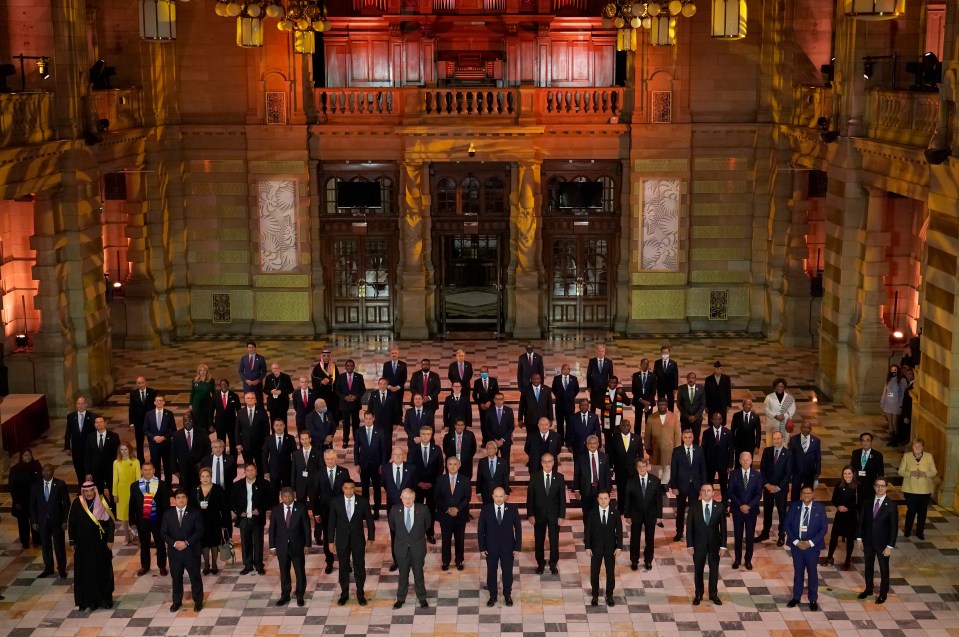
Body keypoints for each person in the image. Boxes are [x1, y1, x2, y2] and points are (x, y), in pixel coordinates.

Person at [68, 482, 115, 611]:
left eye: (91, 490)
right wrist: (72, 541)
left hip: (101, 544)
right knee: (86, 573)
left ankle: (104, 599)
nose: (89, 493)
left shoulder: (102, 501)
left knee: (102, 571)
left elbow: (110, 522)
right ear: (82, 491)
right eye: (86, 491)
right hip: (84, 545)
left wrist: (110, 540)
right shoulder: (77, 503)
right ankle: (88, 601)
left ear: (95, 490)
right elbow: (71, 522)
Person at [327, 479, 375, 605]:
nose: (349, 490)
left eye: (351, 488)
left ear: (355, 489)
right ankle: (344, 594)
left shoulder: (363, 501)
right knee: (343, 567)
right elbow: (331, 523)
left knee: (359, 567)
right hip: (342, 540)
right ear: (342, 488)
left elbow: (370, 521)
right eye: (346, 488)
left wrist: (370, 538)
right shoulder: (335, 502)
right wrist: (330, 541)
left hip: (358, 540)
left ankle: (360, 593)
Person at [161, 489, 204, 612]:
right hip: (175, 554)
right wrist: (174, 543)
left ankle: (198, 601)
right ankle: (177, 601)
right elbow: (163, 533)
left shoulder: (195, 513)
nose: (181, 499)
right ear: (174, 500)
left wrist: (186, 543)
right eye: (178, 497)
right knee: (176, 578)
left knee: (195, 577)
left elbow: (199, 531)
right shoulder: (168, 515)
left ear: (187, 499)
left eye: (183, 497)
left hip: (191, 552)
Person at [478, 486, 522, 607]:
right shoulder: (486, 509)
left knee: (507, 572)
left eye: (501, 496)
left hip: (508, 548)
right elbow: (480, 530)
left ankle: (507, 595)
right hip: (490, 548)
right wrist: (482, 547)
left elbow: (518, 529)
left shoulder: (512, 509)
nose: (498, 499)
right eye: (496, 496)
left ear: (505, 496)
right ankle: (493, 595)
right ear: (492, 496)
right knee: (491, 572)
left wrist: (517, 547)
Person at [785, 485, 827, 611]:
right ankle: (796, 597)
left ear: (813, 494)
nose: (806, 495)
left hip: (812, 548)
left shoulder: (819, 508)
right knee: (798, 572)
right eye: (804, 493)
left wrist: (811, 543)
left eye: (809, 493)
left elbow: (824, 528)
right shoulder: (794, 506)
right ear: (801, 495)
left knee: (812, 573)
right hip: (797, 546)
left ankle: (813, 599)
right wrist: (797, 541)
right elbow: (787, 525)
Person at [269, 487, 312, 607]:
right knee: (284, 572)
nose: (287, 498)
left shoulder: (301, 508)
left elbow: (306, 528)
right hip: (282, 546)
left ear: (294, 496)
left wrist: (307, 544)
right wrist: (272, 547)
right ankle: (285, 595)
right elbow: (272, 529)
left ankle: (300, 595)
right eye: (284, 496)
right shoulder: (276, 509)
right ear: (281, 497)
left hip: (297, 546)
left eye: (289, 496)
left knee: (299, 571)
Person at [857, 477, 897, 604]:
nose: (880, 488)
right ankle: (869, 589)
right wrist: (859, 537)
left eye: (882, 486)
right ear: (874, 487)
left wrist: (890, 546)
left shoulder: (891, 505)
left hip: (883, 544)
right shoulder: (867, 502)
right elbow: (861, 521)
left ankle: (883, 594)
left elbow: (894, 528)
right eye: (877, 485)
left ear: (886, 487)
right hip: (868, 541)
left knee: (884, 569)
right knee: (868, 566)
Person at [686, 483, 726, 606]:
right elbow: (689, 528)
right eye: (703, 490)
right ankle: (699, 594)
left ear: (713, 493)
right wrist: (690, 545)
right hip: (698, 545)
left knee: (714, 570)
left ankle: (713, 594)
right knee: (698, 570)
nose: (706, 492)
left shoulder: (719, 507)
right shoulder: (694, 507)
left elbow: (723, 528)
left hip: (714, 545)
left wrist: (723, 546)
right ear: (700, 493)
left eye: (708, 490)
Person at [390, 488, 430, 609]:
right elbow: (393, 526)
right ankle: (400, 598)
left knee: (419, 574)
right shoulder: (395, 510)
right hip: (401, 549)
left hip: (417, 548)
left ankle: (422, 598)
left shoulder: (423, 509)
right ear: (401, 498)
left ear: (414, 498)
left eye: (410, 497)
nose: (408, 500)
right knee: (403, 575)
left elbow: (427, 525)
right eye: (405, 498)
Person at [527, 452, 565, 574]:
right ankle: (540, 564)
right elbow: (530, 498)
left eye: (550, 461)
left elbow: (562, 499)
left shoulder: (559, 477)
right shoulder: (534, 477)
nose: (548, 464)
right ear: (542, 463)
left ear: (553, 463)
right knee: (539, 540)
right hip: (538, 515)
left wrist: (561, 515)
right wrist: (530, 514)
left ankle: (553, 564)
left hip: (554, 515)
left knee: (554, 540)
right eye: (545, 461)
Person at [129, 462, 170, 576]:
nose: (147, 472)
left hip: (158, 519)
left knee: (160, 543)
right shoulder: (135, 486)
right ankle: (145, 566)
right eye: (145, 470)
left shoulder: (162, 485)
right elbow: (132, 504)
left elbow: (166, 504)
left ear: (154, 470)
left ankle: (162, 566)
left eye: (149, 469)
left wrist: (167, 521)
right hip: (142, 520)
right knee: (144, 544)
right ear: (142, 471)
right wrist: (132, 521)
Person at [230, 462, 272, 575]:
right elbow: (232, 502)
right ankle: (248, 565)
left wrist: (260, 510)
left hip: (257, 518)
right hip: (244, 519)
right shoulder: (237, 485)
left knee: (258, 542)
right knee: (245, 542)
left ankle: (259, 565)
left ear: (256, 471)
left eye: (252, 470)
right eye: (248, 470)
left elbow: (269, 500)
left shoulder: (264, 484)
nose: (250, 472)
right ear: (244, 472)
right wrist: (239, 512)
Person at [29, 463, 70, 578]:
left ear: (53, 472)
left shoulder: (60, 484)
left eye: (48, 470)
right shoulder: (36, 486)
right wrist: (33, 521)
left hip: (57, 521)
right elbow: (32, 505)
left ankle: (61, 569)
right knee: (46, 546)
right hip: (42, 522)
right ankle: (48, 568)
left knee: (59, 546)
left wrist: (65, 520)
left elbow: (66, 504)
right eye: (44, 471)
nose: (46, 473)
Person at [584, 490, 622, 607]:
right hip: (595, 548)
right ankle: (595, 595)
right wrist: (588, 547)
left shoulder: (615, 513)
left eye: (605, 498)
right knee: (595, 572)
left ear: (609, 499)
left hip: (611, 548)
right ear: (597, 499)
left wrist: (619, 547)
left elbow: (619, 531)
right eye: (601, 498)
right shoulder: (592, 513)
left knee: (610, 572)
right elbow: (587, 532)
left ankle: (609, 595)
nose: (603, 501)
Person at [623, 458, 661, 572]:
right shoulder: (631, 481)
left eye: (644, 466)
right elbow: (627, 499)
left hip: (651, 514)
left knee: (650, 539)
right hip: (636, 514)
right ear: (636, 468)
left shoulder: (655, 481)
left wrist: (659, 516)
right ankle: (634, 560)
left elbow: (659, 500)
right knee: (635, 538)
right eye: (639, 467)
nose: (642, 469)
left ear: (647, 467)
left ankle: (648, 560)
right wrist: (627, 515)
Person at [315, 448, 350, 571]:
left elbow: (349, 492)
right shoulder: (318, 473)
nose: (330, 461)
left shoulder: (344, 472)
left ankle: (345, 562)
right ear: (324, 460)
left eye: (332, 458)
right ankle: (329, 561)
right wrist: (316, 513)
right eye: (327, 459)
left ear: (336, 458)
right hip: (325, 511)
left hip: (342, 511)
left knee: (344, 537)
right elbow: (314, 495)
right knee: (327, 537)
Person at [382, 446, 416, 571]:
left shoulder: (411, 468)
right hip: (393, 508)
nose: (398, 456)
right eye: (395, 454)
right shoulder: (385, 468)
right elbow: (385, 485)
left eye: (400, 454)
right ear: (392, 455)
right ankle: (396, 561)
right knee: (395, 534)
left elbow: (413, 486)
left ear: (404, 456)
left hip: (408, 507)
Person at [192, 467, 230, 575]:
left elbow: (224, 507)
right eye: (203, 476)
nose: (205, 478)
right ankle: (206, 564)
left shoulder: (218, 489)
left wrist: (224, 523)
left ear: (211, 477)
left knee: (214, 543)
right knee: (204, 544)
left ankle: (214, 564)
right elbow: (191, 506)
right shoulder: (195, 489)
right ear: (199, 478)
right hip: (200, 521)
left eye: (207, 476)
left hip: (214, 520)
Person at [669, 429, 706, 542]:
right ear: (682, 438)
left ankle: (693, 532)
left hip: (695, 486)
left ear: (693, 438)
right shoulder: (677, 451)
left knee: (694, 510)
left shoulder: (699, 450)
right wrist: (674, 486)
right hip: (681, 486)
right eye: (685, 437)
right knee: (680, 510)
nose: (688, 439)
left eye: (690, 437)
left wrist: (703, 486)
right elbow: (674, 469)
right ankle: (679, 532)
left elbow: (703, 469)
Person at [756, 431, 792, 546]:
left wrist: (778, 487)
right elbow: (762, 469)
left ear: (783, 440)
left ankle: (782, 535)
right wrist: (767, 485)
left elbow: (788, 474)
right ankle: (765, 532)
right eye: (774, 439)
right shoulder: (767, 451)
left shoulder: (788, 454)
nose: (776, 441)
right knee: (767, 511)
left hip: (780, 490)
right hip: (768, 488)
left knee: (782, 513)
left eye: (778, 438)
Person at [728, 451, 762, 570]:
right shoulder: (734, 474)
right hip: (738, 510)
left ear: (751, 460)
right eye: (743, 460)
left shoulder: (757, 475)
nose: (745, 462)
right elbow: (730, 492)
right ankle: (737, 559)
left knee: (749, 536)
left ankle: (748, 560)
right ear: (739, 461)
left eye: (748, 460)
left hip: (751, 511)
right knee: (737, 535)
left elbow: (758, 494)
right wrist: (741, 505)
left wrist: (749, 506)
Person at [436, 456, 470, 570]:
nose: (452, 466)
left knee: (459, 539)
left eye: (455, 464)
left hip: (460, 515)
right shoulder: (440, 479)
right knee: (446, 539)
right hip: (445, 515)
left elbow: (467, 498)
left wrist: (457, 509)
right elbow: (437, 497)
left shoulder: (465, 480)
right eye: (450, 464)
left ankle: (459, 560)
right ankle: (445, 561)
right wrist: (447, 509)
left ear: (459, 465)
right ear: (447, 465)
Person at [899, 438, 937, 540]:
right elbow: (900, 471)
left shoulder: (929, 457)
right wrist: (910, 473)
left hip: (925, 490)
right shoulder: (907, 456)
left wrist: (925, 474)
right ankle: (907, 530)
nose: (917, 448)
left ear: (923, 447)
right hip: (909, 489)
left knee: (922, 512)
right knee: (911, 510)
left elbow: (934, 472)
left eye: (919, 446)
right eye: (915, 446)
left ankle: (920, 532)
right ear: (912, 447)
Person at [411, 425, 442, 544]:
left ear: (431, 435)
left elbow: (440, 469)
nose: (425, 436)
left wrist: (432, 483)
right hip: (417, 486)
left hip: (431, 487)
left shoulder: (437, 449)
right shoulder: (414, 449)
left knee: (430, 511)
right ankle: (418, 534)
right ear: (420, 435)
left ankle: (430, 533)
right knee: (417, 511)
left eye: (428, 434)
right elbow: (411, 468)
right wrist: (418, 482)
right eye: (423, 434)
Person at [355, 410, 389, 519]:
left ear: (373, 418)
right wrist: (356, 463)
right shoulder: (359, 431)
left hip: (376, 465)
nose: (368, 421)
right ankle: (366, 510)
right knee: (364, 489)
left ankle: (376, 510)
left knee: (377, 489)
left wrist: (382, 464)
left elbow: (383, 449)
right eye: (366, 419)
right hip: (363, 465)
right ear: (364, 419)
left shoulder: (379, 431)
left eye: (370, 418)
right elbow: (356, 449)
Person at [825, 466, 857, 570]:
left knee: (850, 539)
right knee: (834, 536)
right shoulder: (839, 485)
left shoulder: (858, 487)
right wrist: (839, 506)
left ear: (853, 474)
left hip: (851, 516)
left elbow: (859, 503)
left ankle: (847, 560)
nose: (847, 476)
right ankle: (829, 557)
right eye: (845, 474)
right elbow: (833, 499)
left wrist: (848, 508)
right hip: (840, 515)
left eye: (849, 473)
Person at [644, 398, 681, 487]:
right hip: (655, 447)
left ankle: (664, 485)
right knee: (654, 467)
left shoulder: (673, 417)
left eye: (664, 404)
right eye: (660, 404)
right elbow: (647, 433)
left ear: (667, 405)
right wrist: (647, 446)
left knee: (667, 467)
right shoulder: (651, 417)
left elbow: (677, 433)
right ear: (657, 405)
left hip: (668, 447)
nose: (662, 406)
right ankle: (654, 484)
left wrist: (677, 447)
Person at [9, 449, 42, 548]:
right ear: (21, 457)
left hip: (34, 499)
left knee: (35, 520)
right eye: (25, 456)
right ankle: (25, 541)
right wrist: (16, 501)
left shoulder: (36, 466)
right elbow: (12, 486)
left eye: (29, 455)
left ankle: (37, 539)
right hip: (22, 500)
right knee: (23, 522)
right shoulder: (15, 469)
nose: (27, 458)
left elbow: (41, 480)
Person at [609, 419, 643, 512]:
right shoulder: (615, 439)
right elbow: (611, 455)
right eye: (623, 425)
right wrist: (611, 468)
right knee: (621, 489)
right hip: (620, 469)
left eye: (627, 425)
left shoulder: (637, 438)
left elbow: (640, 455)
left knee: (633, 489)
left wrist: (640, 468)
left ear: (630, 427)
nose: (625, 427)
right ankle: (621, 507)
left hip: (633, 469)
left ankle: (632, 508)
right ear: (620, 427)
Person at [701, 412, 733, 506]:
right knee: (708, 485)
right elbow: (703, 449)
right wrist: (703, 465)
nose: (717, 421)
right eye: (715, 419)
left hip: (723, 464)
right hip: (710, 464)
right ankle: (707, 503)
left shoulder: (728, 432)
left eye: (719, 419)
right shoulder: (706, 433)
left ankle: (724, 506)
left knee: (724, 486)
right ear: (711, 420)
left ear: (722, 420)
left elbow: (731, 450)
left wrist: (730, 465)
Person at [172, 414, 210, 494]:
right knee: (185, 488)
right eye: (186, 421)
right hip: (183, 468)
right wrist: (175, 469)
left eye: (190, 421)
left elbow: (208, 448)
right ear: (183, 422)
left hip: (198, 467)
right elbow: (173, 453)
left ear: (193, 421)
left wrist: (203, 462)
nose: (188, 423)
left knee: (199, 488)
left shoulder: (202, 432)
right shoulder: (177, 435)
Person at [576, 435, 612, 519]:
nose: (592, 445)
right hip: (586, 489)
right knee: (587, 513)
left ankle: (597, 531)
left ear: (598, 444)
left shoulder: (604, 457)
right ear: (586, 444)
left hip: (600, 489)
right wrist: (576, 490)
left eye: (594, 443)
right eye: (590, 443)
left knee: (599, 513)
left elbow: (607, 475)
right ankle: (587, 531)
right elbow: (577, 474)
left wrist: (608, 490)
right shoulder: (581, 457)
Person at [84, 417, 121, 499]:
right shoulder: (90, 437)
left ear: (105, 423)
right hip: (96, 471)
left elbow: (118, 454)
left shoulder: (114, 436)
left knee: (113, 492)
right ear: (94, 425)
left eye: (100, 422)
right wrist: (88, 472)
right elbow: (87, 455)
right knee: (98, 493)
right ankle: (100, 510)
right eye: (96, 422)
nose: (98, 424)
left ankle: (114, 510)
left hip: (110, 470)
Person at [112, 442, 141, 544]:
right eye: (122, 450)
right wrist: (115, 494)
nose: (124, 452)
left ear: (130, 450)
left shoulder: (135, 461)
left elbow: (138, 478)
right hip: (121, 491)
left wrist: (139, 493)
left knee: (134, 514)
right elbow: (115, 479)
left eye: (126, 449)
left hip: (133, 491)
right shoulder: (116, 462)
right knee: (124, 515)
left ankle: (136, 534)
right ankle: (126, 535)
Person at [64, 396, 97, 484]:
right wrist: (67, 447)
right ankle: (81, 488)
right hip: (76, 450)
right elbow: (68, 432)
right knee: (78, 470)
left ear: (86, 404)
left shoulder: (93, 416)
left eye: (82, 403)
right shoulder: (71, 417)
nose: (80, 406)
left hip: (89, 449)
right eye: (78, 404)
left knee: (89, 470)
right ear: (76, 405)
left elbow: (95, 433)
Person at [145, 395, 176, 485]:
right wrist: (153, 437)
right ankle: (157, 486)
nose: (159, 402)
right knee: (155, 466)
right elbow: (145, 429)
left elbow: (173, 430)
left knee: (167, 466)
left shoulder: (169, 414)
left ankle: (168, 486)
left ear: (164, 402)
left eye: (161, 400)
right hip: (154, 445)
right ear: (154, 402)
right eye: (157, 401)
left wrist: (164, 437)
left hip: (166, 444)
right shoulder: (149, 414)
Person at [334, 359, 366, 448]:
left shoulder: (359, 376)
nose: (349, 367)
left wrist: (356, 397)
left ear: (354, 367)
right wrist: (344, 397)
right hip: (344, 405)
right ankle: (345, 440)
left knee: (356, 422)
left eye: (351, 365)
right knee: (346, 423)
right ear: (345, 367)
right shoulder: (340, 377)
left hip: (355, 404)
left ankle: (357, 438)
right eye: (347, 365)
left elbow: (363, 389)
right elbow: (337, 390)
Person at [787, 420, 821, 500]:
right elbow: (790, 457)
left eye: (808, 428)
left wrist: (817, 472)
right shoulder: (793, 439)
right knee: (795, 494)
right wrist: (789, 471)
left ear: (811, 429)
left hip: (809, 472)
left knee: (808, 493)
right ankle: (794, 510)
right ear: (801, 428)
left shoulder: (816, 441)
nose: (806, 429)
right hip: (796, 472)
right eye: (804, 427)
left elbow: (818, 457)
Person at [236, 391, 270, 470]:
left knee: (260, 465)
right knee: (248, 466)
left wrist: (266, 443)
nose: (250, 400)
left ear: (255, 400)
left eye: (252, 398)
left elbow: (266, 428)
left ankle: (260, 481)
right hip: (245, 445)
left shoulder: (262, 411)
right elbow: (237, 429)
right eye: (248, 398)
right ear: (245, 400)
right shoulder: (240, 412)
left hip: (259, 445)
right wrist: (238, 443)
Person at [851, 432, 884, 509]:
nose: (865, 442)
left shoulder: (877, 455)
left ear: (871, 442)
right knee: (859, 507)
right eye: (863, 440)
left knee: (869, 508)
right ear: (860, 442)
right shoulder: (855, 453)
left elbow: (881, 473)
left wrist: (879, 487)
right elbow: (852, 469)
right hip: (858, 486)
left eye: (867, 440)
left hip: (871, 486)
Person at [262, 418, 295, 494]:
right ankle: (276, 506)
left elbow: (295, 455)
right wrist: (266, 471)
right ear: (273, 427)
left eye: (281, 425)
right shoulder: (268, 439)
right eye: (276, 425)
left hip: (287, 470)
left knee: (288, 492)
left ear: (284, 426)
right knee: (273, 493)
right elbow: (264, 456)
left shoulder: (290, 438)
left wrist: (294, 470)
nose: (279, 427)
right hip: (273, 471)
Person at [129, 376, 157, 463]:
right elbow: (131, 409)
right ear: (136, 384)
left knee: (152, 442)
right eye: (139, 383)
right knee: (139, 443)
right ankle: (140, 461)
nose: (140, 385)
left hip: (150, 422)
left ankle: (153, 459)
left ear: (145, 382)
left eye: (142, 383)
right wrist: (131, 423)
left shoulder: (152, 392)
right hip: (138, 423)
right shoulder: (133, 394)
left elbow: (155, 407)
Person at [291, 430, 320, 512]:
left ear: (310, 439)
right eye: (302, 439)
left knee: (316, 507)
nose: (304, 441)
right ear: (300, 440)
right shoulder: (296, 454)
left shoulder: (317, 453)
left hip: (313, 485)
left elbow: (321, 470)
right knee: (301, 508)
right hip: (300, 485)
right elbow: (294, 472)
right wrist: (293, 489)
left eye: (306, 439)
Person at [550, 363, 579, 446]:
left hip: (570, 406)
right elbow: (554, 389)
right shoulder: (556, 379)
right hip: (559, 405)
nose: (566, 370)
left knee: (570, 424)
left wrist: (570, 397)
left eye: (568, 369)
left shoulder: (574, 379)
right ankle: (560, 441)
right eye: (565, 369)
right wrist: (560, 397)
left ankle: (568, 441)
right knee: (560, 424)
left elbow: (576, 390)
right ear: (561, 370)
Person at [598, 376, 631, 447]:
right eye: (611, 382)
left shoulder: (620, 391)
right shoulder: (603, 391)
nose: (612, 384)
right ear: (608, 382)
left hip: (618, 422)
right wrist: (605, 406)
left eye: (614, 382)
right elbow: (597, 403)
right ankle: (608, 457)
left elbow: (628, 403)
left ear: (617, 384)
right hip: (607, 420)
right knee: (608, 442)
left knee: (618, 442)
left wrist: (622, 394)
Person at [443, 418, 478, 482]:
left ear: (464, 426)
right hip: (452, 465)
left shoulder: (470, 435)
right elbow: (445, 450)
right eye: (458, 425)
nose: (460, 427)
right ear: (455, 426)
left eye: (462, 425)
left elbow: (473, 449)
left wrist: (466, 457)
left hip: (466, 465)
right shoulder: (448, 436)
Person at [763, 378, 796, 445]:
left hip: (784, 425)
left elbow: (793, 409)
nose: (779, 388)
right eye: (778, 386)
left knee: (783, 444)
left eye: (781, 387)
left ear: (784, 387)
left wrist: (784, 416)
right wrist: (775, 416)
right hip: (772, 425)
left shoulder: (789, 398)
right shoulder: (769, 397)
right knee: (771, 444)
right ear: (775, 387)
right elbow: (766, 409)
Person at [676, 372, 706, 446]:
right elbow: (679, 404)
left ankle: (695, 453)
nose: (691, 379)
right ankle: (684, 453)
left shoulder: (701, 388)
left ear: (695, 379)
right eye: (689, 378)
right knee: (685, 437)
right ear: (687, 379)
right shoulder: (681, 388)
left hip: (697, 418)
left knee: (696, 437)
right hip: (685, 418)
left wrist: (695, 416)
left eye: (693, 378)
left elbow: (703, 404)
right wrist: (688, 416)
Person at [485, 393, 515, 461]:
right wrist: (495, 440)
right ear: (494, 400)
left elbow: (511, 427)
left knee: (506, 462)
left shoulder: (509, 411)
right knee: (492, 461)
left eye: (500, 399)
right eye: (497, 399)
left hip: (505, 441)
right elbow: (487, 427)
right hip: (492, 441)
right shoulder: (489, 411)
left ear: (503, 400)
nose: (499, 401)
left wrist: (502, 440)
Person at [472, 366, 499, 443]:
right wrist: (480, 403)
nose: (484, 373)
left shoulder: (493, 381)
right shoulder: (477, 382)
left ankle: (492, 439)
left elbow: (496, 393)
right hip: (482, 408)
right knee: (483, 424)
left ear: (488, 372)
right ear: (480, 373)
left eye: (485, 371)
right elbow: (474, 395)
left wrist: (490, 401)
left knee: (492, 423)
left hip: (492, 407)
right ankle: (485, 440)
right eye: (482, 372)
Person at [311, 349, 340, 422]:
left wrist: (329, 380)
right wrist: (321, 381)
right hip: (321, 393)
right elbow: (314, 378)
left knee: (332, 407)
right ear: (322, 357)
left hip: (332, 393)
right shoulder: (317, 367)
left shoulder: (333, 367)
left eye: (327, 356)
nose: (326, 357)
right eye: (324, 356)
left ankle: (333, 422)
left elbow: (337, 377)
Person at [212, 379, 241, 451]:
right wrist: (211, 424)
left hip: (232, 424)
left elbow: (239, 411)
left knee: (233, 442)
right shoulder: (215, 397)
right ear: (220, 386)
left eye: (225, 384)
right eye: (222, 385)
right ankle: (222, 457)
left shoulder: (234, 396)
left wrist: (239, 423)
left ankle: (233, 459)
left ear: (228, 386)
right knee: (221, 443)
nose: (224, 386)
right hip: (220, 424)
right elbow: (211, 411)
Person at [586, 343, 614, 416]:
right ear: (597, 352)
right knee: (593, 405)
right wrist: (588, 386)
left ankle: (603, 421)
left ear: (605, 352)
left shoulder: (608, 362)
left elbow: (611, 376)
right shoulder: (592, 361)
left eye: (602, 351)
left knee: (603, 406)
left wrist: (611, 387)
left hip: (604, 388)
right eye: (599, 351)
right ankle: (592, 420)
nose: (601, 353)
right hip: (594, 387)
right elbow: (588, 375)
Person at [880, 365, 906, 442]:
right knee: (890, 422)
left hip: (896, 403)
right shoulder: (888, 380)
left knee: (895, 422)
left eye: (895, 370)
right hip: (888, 402)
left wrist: (901, 404)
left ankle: (896, 439)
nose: (893, 371)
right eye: (892, 370)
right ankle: (891, 438)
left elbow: (903, 393)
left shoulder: (901, 380)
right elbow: (885, 391)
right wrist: (882, 401)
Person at [264, 362, 294, 427]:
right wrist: (271, 391)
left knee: (283, 421)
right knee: (273, 422)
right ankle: (274, 436)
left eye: (277, 368)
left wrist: (281, 392)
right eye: (274, 368)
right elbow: (265, 390)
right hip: (272, 403)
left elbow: (291, 389)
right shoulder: (268, 377)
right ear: (272, 369)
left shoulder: (286, 377)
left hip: (283, 403)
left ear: (280, 369)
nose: (275, 370)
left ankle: (285, 435)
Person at [238, 340, 267, 406]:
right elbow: (240, 371)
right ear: (247, 348)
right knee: (247, 402)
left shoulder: (261, 358)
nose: (251, 349)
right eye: (249, 347)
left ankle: (260, 415)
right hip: (247, 384)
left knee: (260, 402)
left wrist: (258, 380)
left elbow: (264, 371)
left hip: (257, 384)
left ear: (255, 348)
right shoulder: (244, 358)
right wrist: (245, 380)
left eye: (252, 347)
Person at [703, 361, 733, 426]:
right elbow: (706, 393)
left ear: (722, 369)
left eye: (720, 369)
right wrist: (706, 406)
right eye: (717, 369)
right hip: (712, 405)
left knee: (722, 422)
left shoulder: (726, 379)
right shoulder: (708, 379)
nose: (718, 370)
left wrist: (728, 405)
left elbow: (728, 392)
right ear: (714, 369)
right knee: (712, 422)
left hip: (722, 404)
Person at [630, 358, 657, 428]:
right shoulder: (635, 375)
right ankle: (637, 437)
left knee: (648, 422)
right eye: (644, 364)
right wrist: (641, 400)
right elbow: (634, 390)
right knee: (637, 421)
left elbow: (653, 391)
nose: (645, 365)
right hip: (639, 402)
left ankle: (648, 438)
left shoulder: (653, 376)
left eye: (647, 364)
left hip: (649, 402)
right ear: (640, 365)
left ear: (648, 365)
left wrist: (647, 402)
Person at [190, 363, 216, 434]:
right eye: (201, 370)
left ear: (207, 371)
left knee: (206, 421)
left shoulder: (211, 380)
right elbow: (192, 393)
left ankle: (206, 436)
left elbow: (213, 392)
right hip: (197, 404)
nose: (202, 372)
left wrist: (215, 403)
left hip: (207, 404)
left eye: (204, 370)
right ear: (198, 372)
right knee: (197, 422)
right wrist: (190, 404)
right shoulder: (195, 380)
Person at [653, 346, 679, 412]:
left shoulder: (673, 363)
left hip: (670, 387)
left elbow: (675, 376)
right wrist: (654, 386)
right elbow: (654, 375)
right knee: (661, 402)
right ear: (661, 353)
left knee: (670, 403)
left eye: (666, 352)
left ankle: (670, 416)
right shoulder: (657, 363)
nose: (665, 354)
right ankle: (661, 415)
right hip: (660, 386)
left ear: (669, 353)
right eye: (663, 352)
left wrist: (675, 388)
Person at [895, 366, 916, 446]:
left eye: (910, 374)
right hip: (905, 410)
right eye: (907, 374)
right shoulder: (908, 384)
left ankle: (907, 441)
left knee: (907, 428)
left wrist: (906, 415)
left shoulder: (913, 386)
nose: (908, 376)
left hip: (908, 412)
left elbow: (910, 403)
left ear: (913, 375)